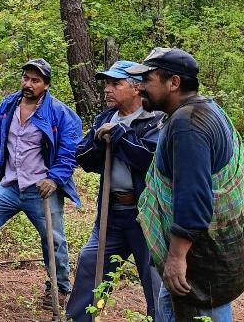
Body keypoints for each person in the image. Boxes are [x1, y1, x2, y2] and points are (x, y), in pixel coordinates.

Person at [127, 48, 244, 322]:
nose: (139, 88)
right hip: (209, 260)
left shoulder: (189, 125)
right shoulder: (205, 109)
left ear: (173, 83)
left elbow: (193, 195)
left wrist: (176, 257)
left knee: (201, 311)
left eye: (147, 80)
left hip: (199, 261)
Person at [0, 58, 82, 314]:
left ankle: (58, 288)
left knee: (53, 238)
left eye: (35, 80)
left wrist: (55, 178)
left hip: (41, 188)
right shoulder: (8, 105)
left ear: (46, 85)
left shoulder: (60, 114)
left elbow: (70, 152)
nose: (28, 84)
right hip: (12, 183)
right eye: (26, 78)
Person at [65, 61, 163, 322]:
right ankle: (80, 319)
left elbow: (148, 160)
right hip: (112, 214)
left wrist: (121, 135)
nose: (107, 90)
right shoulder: (105, 118)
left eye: (115, 83)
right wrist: (99, 141)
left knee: (154, 279)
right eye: (106, 84)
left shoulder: (155, 119)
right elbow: (83, 158)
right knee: (90, 264)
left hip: (146, 216)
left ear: (136, 88)